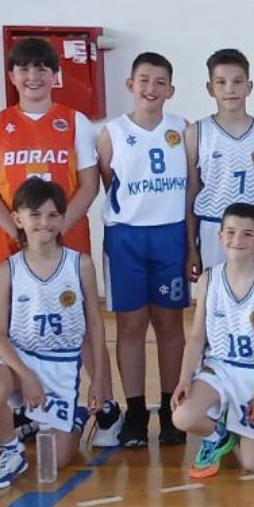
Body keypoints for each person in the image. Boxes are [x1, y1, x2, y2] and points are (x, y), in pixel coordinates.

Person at [0, 179, 109, 489]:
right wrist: (27, 376)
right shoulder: (6, 270)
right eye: (35, 215)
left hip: (60, 362)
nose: (44, 223)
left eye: (52, 215)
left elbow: (95, 324)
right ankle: (11, 449)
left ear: (63, 218)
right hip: (19, 358)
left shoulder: (80, 264)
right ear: (17, 218)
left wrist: (99, 380)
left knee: (57, 461)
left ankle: (73, 418)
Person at [97, 51, 190, 448]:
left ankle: (170, 408)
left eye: (160, 82)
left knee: (170, 325)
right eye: (144, 80)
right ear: (130, 85)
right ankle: (135, 411)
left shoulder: (183, 130)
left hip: (170, 235)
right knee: (131, 326)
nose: (151, 88)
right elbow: (108, 181)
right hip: (127, 239)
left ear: (171, 89)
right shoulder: (111, 133)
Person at [169, 202, 254, 481]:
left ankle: (230, 422)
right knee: (182, 417)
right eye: (231, 232)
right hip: (218, 369)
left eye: (247, 234)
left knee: (253, 464)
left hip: (252, 375)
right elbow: (197, 336)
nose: (238, 240)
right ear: (220, 236)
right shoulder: (209, 279)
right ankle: (217, 435)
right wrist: (184, 378)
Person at [0, 35, 99, 265]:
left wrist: (56, 230)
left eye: (41, 69)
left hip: (67, 236)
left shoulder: (76, 121)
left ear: (55, 75)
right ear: (12, 76)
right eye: (24, 69)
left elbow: (89, 186)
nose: (33, 77)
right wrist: (19, 233)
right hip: (13, 240)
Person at [186, 47, 254, 274]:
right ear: (210, 88)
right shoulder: (196, 132)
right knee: (215, 292)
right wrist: (190, 247)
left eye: (237, 81)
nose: (230, 89)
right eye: (221, 82)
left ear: (249, 86)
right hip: (213, 227)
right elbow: (191, 192)